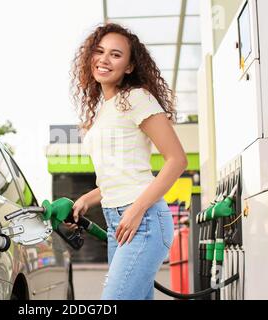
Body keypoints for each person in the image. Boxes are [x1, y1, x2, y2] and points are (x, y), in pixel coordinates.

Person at [69, 23, 188, 300]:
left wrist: (136, 210)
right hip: (117, 223)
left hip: (143, 220)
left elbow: (176, 160)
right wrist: (87, 198)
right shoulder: (102, 111)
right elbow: (121, 174)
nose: (104, 60)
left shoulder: (136, 98)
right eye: (99, 52)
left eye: (115, 54)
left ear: (130, 66)